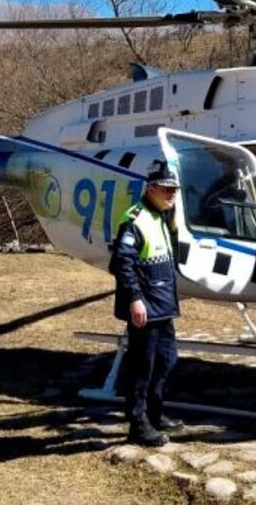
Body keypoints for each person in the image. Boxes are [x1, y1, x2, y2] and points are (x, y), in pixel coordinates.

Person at [109, 162, 184, 446]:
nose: (171, 194)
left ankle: (155, 414)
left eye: (174, 189)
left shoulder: (161, 216)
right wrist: (136, 299)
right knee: (142, 366)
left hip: (162, 305)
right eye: (165, 189)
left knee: (167, 360)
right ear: (150, 188)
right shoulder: (135, 219)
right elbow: (121, 263)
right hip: (146, 308)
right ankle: (138, 425)